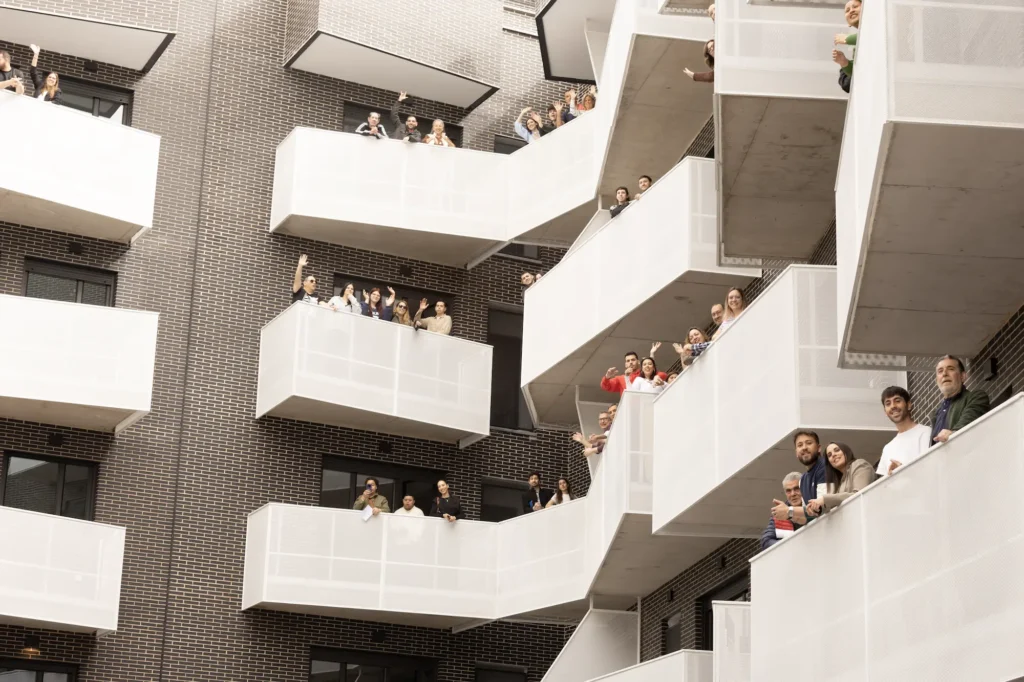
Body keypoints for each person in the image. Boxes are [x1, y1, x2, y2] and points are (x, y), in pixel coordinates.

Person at [930, 355, 990, 444]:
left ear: (963, 376)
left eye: (950, 369)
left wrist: (954, 433)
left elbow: (967, 422)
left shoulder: (976, 397)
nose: (944, 374)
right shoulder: (935, 414)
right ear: (936, 381)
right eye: (940, 371)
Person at [771, 431, 825, 526]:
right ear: (796, 452)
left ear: (819, 448)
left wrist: (789, 510)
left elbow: (820, 507)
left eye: (809, 443)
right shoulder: (803, 480)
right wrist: (788, 515)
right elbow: (809, 516)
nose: (804, 447)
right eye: (800, 445)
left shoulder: (824, 466)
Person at [876, 386, 932, 476]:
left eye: (897, 401)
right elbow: (883, 483)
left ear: (909, 405)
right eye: (888, 403)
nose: (893, 406)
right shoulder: (887, 449)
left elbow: (931, 470)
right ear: (885, 412)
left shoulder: (926, 433)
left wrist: (903, 472)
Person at [805, 442, 873, 515]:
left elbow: (859, 495)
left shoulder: (859, 464)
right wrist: (817, 508)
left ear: (846, 451)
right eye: (829, 455)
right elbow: (835, 505)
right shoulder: (839, 482)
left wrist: (824, 499)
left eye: (837, 450)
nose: (833, 455)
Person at [760, 472, 804, 551]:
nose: (793, 494)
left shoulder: (813, 503)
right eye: (788, 491)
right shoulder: (779, 513)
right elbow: (766, 541)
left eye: (796, 489)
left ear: (804, 487)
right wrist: (788, 545)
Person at [601, 348, 666, 395]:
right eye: (628, 361)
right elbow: (606, 387)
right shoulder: (620, 378)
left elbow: (663, 375)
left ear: (638, 362)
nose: (631, 362)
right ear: (625, 364)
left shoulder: (645, 373)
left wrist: (656, 376)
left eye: (633, 360)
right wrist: (607, 377)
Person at [832, 0, 861, 93]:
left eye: (855, 7)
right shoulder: (857, 47)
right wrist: (845, 63)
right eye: (847, 10)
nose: (851, 10)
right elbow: (858, 73)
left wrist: (847, 39)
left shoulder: (877, 25)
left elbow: (872, 36)